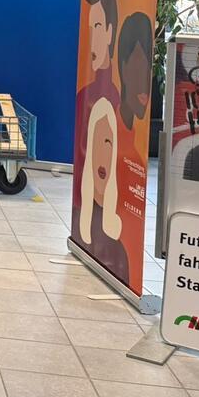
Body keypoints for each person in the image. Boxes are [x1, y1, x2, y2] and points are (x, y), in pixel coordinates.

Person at [73, 97, 129, 281]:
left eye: (108, 144)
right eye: (95, 144)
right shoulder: (79, 218)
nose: (101, 156)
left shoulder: (119, 243)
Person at [74, 0, 120, 173]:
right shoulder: (84, 95)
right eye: (90, 28)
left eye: (98, 26)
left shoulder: (118, 99)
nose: (92, 38)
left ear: (110, 32)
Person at [116, 11, 155, 133]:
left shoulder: (136, 135)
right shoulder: (110, 125)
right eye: (138, 68)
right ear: (124, 69)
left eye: (148, 70)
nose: (145, 81)